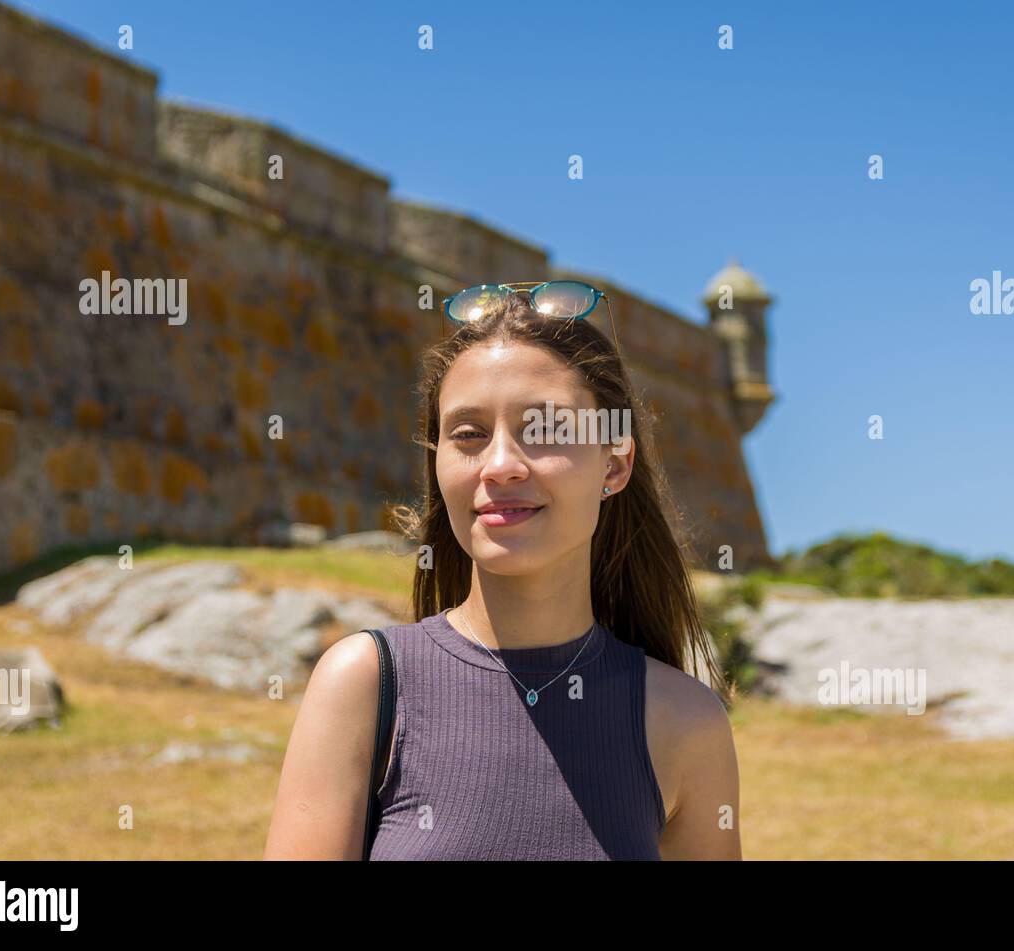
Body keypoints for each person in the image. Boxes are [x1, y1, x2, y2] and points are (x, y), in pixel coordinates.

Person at [264, 285, 741, 860]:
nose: (501, 466)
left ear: (614, 463)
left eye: (544, 430)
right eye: (468, 435)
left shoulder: (688, 723)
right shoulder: (363, 684)